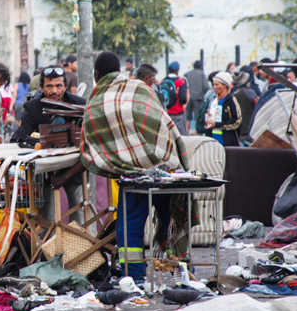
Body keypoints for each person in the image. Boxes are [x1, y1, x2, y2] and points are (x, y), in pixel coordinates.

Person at [78, 51, 191, 281]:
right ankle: (185, 274)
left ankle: (135, 278)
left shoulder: (96, 100)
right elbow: (163, 123)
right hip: (166, 172)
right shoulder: (141, 89)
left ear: (96, 74)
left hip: (133, 178)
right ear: (119, 70)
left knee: (130, 226)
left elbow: (91, 139)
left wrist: (129, 162)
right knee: (172, 222)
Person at [11, 66, 86, 225]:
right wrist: (41, 142)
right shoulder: (33, 107)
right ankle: (48, 247)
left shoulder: (79, 104)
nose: (54, 91)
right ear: (42, 88)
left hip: (73, 168)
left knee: (78, 212)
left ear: (65, 86)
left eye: (58, 86)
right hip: (45, 171)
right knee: (48, 216)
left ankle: (80, 245)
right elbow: (18, 137)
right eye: (49, 86)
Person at [205, 72, 242, 146]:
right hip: (213, 141)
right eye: (213, 84)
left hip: (227, 142)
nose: (214, 87)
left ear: (225, 86)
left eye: (217, 84)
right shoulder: (214, 101)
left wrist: (218, 125)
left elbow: (237, 122)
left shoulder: (231, 100)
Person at [162, 61, 190, 135]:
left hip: (167, 113)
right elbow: (183, 99)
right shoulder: (181, 81)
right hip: (178, 113)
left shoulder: (163, 81)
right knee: (181, 134)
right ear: (177, 70)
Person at [183, 60, 210, 132]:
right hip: (198, 98)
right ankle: (196, 133)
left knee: (188, 117)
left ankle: (186, 133)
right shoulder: (202, 74)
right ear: (201, 66)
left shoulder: (187, 74)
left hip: (188, 98)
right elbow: (206, 87)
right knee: (197, 116)